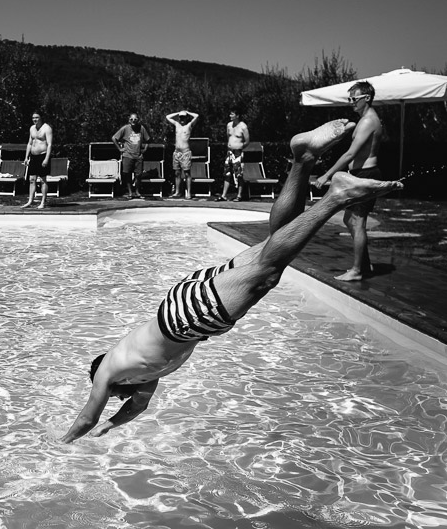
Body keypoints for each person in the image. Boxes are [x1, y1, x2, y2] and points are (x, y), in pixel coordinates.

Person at [60, 119, 402, 444]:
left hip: (186, 317)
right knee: (276, 243)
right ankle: (303, 158)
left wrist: (61, 443)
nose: (115, 398)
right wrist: (111, 425)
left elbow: (85, 418)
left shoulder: (108, 370)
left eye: (111, 396)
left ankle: (336, 195)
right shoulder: (143, 375)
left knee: (268, 272)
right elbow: (139, 407)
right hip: (186, 304)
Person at [311, 81, 386, 282]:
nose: (351, 102)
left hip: (366, 174)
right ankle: (363, 264)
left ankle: (357, 270)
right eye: (349, 98)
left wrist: (327, 175)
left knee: (358, 221)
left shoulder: (368, 121)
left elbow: (351, 153)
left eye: (354, 99)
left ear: (367, 98)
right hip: (360, 173)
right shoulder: (364, 120)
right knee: (348, 220)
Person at [112, 113, 151, 198]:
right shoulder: (125, 128)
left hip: (138, 156)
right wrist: (119, 149)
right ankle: (130, 192)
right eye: (131, 119)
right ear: (129, 120)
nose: (133, 121)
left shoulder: (141, 128)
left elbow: (148, 139)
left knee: (138, 174)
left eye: (135, 119)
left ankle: (137, 191)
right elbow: (114, 138)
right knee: (127, 174)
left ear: (138, 120)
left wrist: (145, 149)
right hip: (128, 155)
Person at [21, 111, 53, 209]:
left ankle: (43, 202)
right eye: (33, 118)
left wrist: (46, 159)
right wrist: (26, 157)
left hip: (42, 156)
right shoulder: (32, 128)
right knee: (31, 179)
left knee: (43, 180)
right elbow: (29, 144)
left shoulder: (47, 128)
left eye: (37, 117)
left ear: (41, 118)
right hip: (33, 157)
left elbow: (49, 144)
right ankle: (30, 201)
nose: (35, 119)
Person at [165, 110, 199, 198]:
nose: (182, 119)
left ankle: (188, 192)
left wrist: (187, 112)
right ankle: (177, 192)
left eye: (184, 117)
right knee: (177, 173)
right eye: (181, 117)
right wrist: (178, 113)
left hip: (185, 152)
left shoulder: (189, 125)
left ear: (187, 117)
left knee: (187, 173)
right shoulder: (177, 125)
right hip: (177, 152)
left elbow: (197, 116)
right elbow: (167, 117)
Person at [217, 109, 250, 202]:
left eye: (232, 114)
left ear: (237, 115)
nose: (230, 116)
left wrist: (239, 148)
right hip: (230, 152)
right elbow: (228, 137)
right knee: (227, 173)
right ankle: (224, 195)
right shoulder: (229, 125)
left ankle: (239, 195)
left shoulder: (243, 126)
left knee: (239, 174)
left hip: (238, 153)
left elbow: (247, 141)